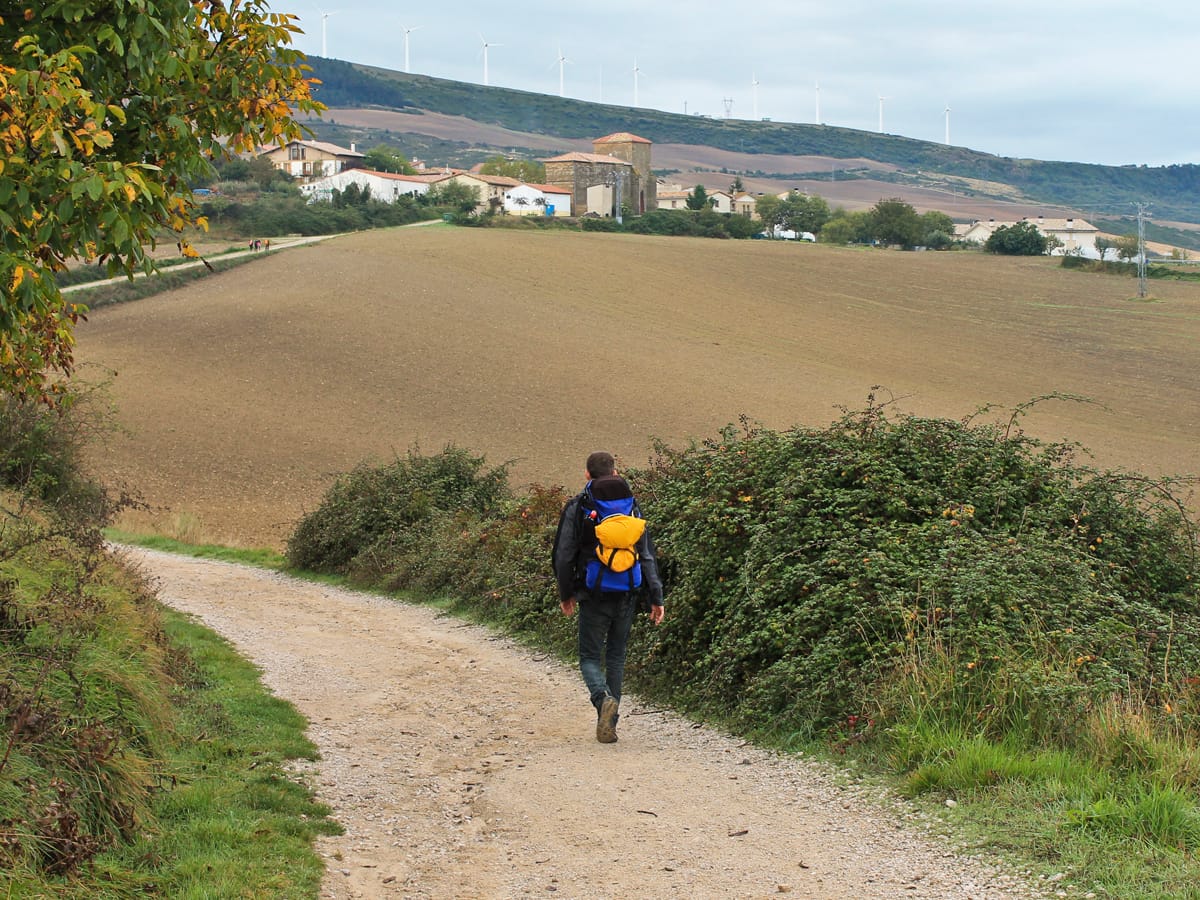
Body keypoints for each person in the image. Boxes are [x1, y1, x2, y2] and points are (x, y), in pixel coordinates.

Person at [552, 451, 665, 743]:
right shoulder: (632, 507)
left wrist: (567, 593)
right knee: (616, 656)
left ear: (587, 474)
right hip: (627, 590)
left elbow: (564, 555)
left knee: (589, 655)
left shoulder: (580, 506)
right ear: (615, 472)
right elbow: (647, 554)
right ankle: (610, 723)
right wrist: (657, 597)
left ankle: (602, 699)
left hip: (593, 592)